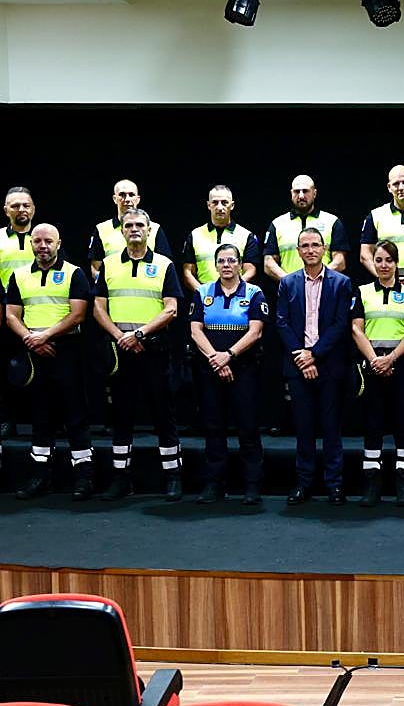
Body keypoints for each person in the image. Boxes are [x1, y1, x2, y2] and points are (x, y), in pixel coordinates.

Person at [92, 209, 184, 500]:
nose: (134, 229)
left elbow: (171, 308)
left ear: (149, 230)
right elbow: (98, 307)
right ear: (121, 231)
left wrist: (139, 334)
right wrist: (121, 337)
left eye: (139, 225)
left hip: (154, 350)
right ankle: (120, 478)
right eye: (129, 225)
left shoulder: (164, 264)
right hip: (121, 353)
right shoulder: (108, 265)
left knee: (163, 415)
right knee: (121, 416)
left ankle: (173, 476)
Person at [4, 223, 93, 499]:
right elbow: (10, 315)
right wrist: (31, 339)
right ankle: (40, 477)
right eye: (38, 241)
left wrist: (45, 336)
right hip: (34, 351)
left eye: (48, 241)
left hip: (66, 350)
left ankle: (84, 478)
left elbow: (78, 315)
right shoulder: (18, 276)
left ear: (58, 243)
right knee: (41, 417)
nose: (43, 246)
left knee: (75, 415)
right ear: (31, 243)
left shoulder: (74, 273)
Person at [276, 227, 353, 505]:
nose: (310, 250)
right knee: (304, 428)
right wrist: (301, 356)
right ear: (298, 251)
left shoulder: (341, 283)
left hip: (329, 366)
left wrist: (314, 355)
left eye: (315, 245)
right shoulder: (287, 283)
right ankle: (304, 483)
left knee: (332, 428)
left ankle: (334, 484)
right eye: (304, 246)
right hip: (298, 366)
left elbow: (341, 325)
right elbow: (281, 322)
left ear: (325, 249)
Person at [188, 243, 267, 505]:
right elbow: (195, 330)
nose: (226, 265)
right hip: (210, 369)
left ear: (240, 264)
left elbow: (255, 331)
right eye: (221, 261)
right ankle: (213, 484)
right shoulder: (203, 292)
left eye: (231, 260)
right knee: (213, 427)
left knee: (248, 427)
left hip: (243, 369)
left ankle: (252, 485)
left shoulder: (254, 293)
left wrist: (229, 356)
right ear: (215, 264)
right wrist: (216, 358)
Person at [351, 240, 404, 507]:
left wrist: (390, 359)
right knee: (373, 426)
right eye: (378, 260)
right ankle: (372, 485)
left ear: (396, 263)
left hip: (400, 366)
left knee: (403, 425)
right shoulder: (362, 292)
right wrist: (374, 360)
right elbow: (357, 329)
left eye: (388, 261)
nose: (383, 265)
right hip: (371, 367)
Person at [0, 187, 38, 442]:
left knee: (45, 371)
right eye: (15, 206)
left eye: (26, 205)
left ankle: (46, 423)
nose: (21, 210)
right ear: (6, 210)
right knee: (3, 370)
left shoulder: (44, 236)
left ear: (33, 209)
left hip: (39, 314)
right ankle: (6, 420)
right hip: (4, 314)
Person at [263, 174, 350, 281]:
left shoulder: (332, 222)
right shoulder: (277, 224)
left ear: (314, 193)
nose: (301, 196)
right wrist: (290, 282)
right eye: (296, 191)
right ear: (291, 193)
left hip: (325, 289)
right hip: (290, 293)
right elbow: (268, 262)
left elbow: (340, 261)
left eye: (305, 191)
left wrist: (318, 279)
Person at [87, 178, 173, 278]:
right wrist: (105, 285)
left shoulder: (155, 229)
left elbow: (166, 265)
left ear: (138, 199)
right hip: (114, 291)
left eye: (131, 195)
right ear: (115, 199)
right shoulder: (101, 229)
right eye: (122, 195)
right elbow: (95, 268)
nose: (127, 199)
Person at [180, 185, 260, 292]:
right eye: (215, 202)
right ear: (209, 205)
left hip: (237, 299)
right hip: (204, 299)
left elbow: (250, 271)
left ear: (232, 205)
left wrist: (233, 290)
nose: (219, 207)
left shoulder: (246, 235)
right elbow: (187, 272)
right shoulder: (195, 235)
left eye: (224, 202)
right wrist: (203, 293)